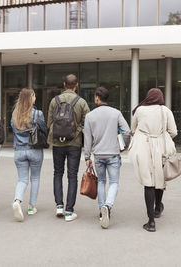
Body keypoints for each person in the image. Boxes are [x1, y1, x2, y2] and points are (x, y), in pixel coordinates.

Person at [128, 88, 177, 232]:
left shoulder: (140, 110)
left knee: (147, 182)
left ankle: (151, 222)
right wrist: (161, 137)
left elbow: (133, 129)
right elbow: (173, 131)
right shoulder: (165, 110)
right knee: (160, 179)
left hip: (143, 147)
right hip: (160, 147)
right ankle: (158, 207)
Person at [84, 87, 130, 229]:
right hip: (113, 154)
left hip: (98, 155)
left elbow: (87, 138)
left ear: (97, 98)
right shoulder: (116, 113)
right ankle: (108, 206)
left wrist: (87, 156)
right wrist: (123, 145)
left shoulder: (90, 116)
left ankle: (101, 210)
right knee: (114, 182)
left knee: (102, 181)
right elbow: (127, 131)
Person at [47, 74, 90, 222]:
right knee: (72, 176)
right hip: (74, 144)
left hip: (57, 143)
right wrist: (75, 132)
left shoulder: (54, 101)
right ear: (76, 85)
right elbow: (87, 123)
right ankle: (69, 211)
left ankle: (59, 205)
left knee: (57, 173)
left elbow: (49, 123)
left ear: (64, 84)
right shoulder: (82, 102)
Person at [11, 88, 46, 222]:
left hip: (19, 150)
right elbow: (43, 129)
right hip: (34, 149)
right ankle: (31, 207)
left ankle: (17, 201)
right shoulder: (37, 114)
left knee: (22, 180)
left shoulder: (14, 114)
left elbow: (13, 129)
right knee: (35, 178)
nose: (35, 98)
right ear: (30, 99)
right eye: (34, 96)